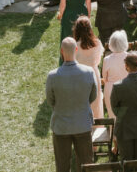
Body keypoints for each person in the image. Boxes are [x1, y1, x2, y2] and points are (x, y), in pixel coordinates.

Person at [45, 37, 96, 172]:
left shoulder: (53, 76)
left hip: (61, 126)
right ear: (76, 50)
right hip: (83, 124)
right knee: (86, 165)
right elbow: (93, 96)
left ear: (62, 51)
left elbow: (51, 101)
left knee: (62, 166)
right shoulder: (89, 72)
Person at [110, 53, 137, 162]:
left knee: (126, 160)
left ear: (126, 66)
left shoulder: (118, 86)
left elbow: (114, 107)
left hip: (124, 125)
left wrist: (125, 114)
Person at [73, 16, 105, 119]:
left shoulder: (75, 46)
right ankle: (98, 127)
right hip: (94, 73)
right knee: (96, 102)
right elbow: (98, 60)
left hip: (80, 75)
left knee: (82, 102)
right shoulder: (98, 44)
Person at [102, 30, 130, 118]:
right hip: (127, 87)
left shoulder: (107, 60)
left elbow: (104, 77)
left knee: (112, 117)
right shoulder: (130, 57)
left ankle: (113, 131)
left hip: (111, 89)